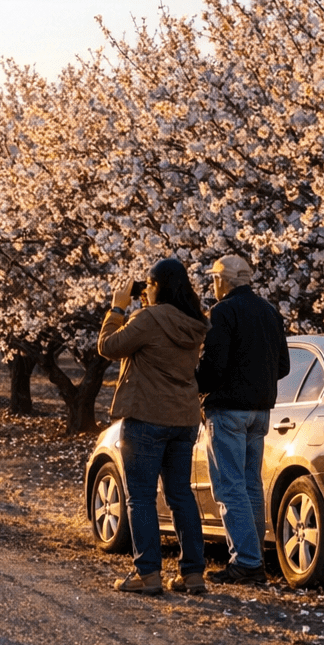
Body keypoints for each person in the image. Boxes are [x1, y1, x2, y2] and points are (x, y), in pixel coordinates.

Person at [98, 258, 210, 596]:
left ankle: (147, 572)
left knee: (141, 497)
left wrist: (117, 309)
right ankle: (192, 573)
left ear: (157, 286)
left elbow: (108, 346)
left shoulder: (148, 319)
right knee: (180, 495)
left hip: (147, 416)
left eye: (148, 285)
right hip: (183, 419)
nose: (144, 291)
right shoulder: (195, 322)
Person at [197, 254, 289, 585]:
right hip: (260, 411)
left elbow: (213, 366)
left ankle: (246, 561)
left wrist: (196, 385)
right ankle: (254, 559)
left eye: (214, 278)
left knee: (229, 486)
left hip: (227, 410)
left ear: (224, 281)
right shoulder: (270, 311)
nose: (213, 284)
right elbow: (283, 366)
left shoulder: (223, 311)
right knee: (251, 485)